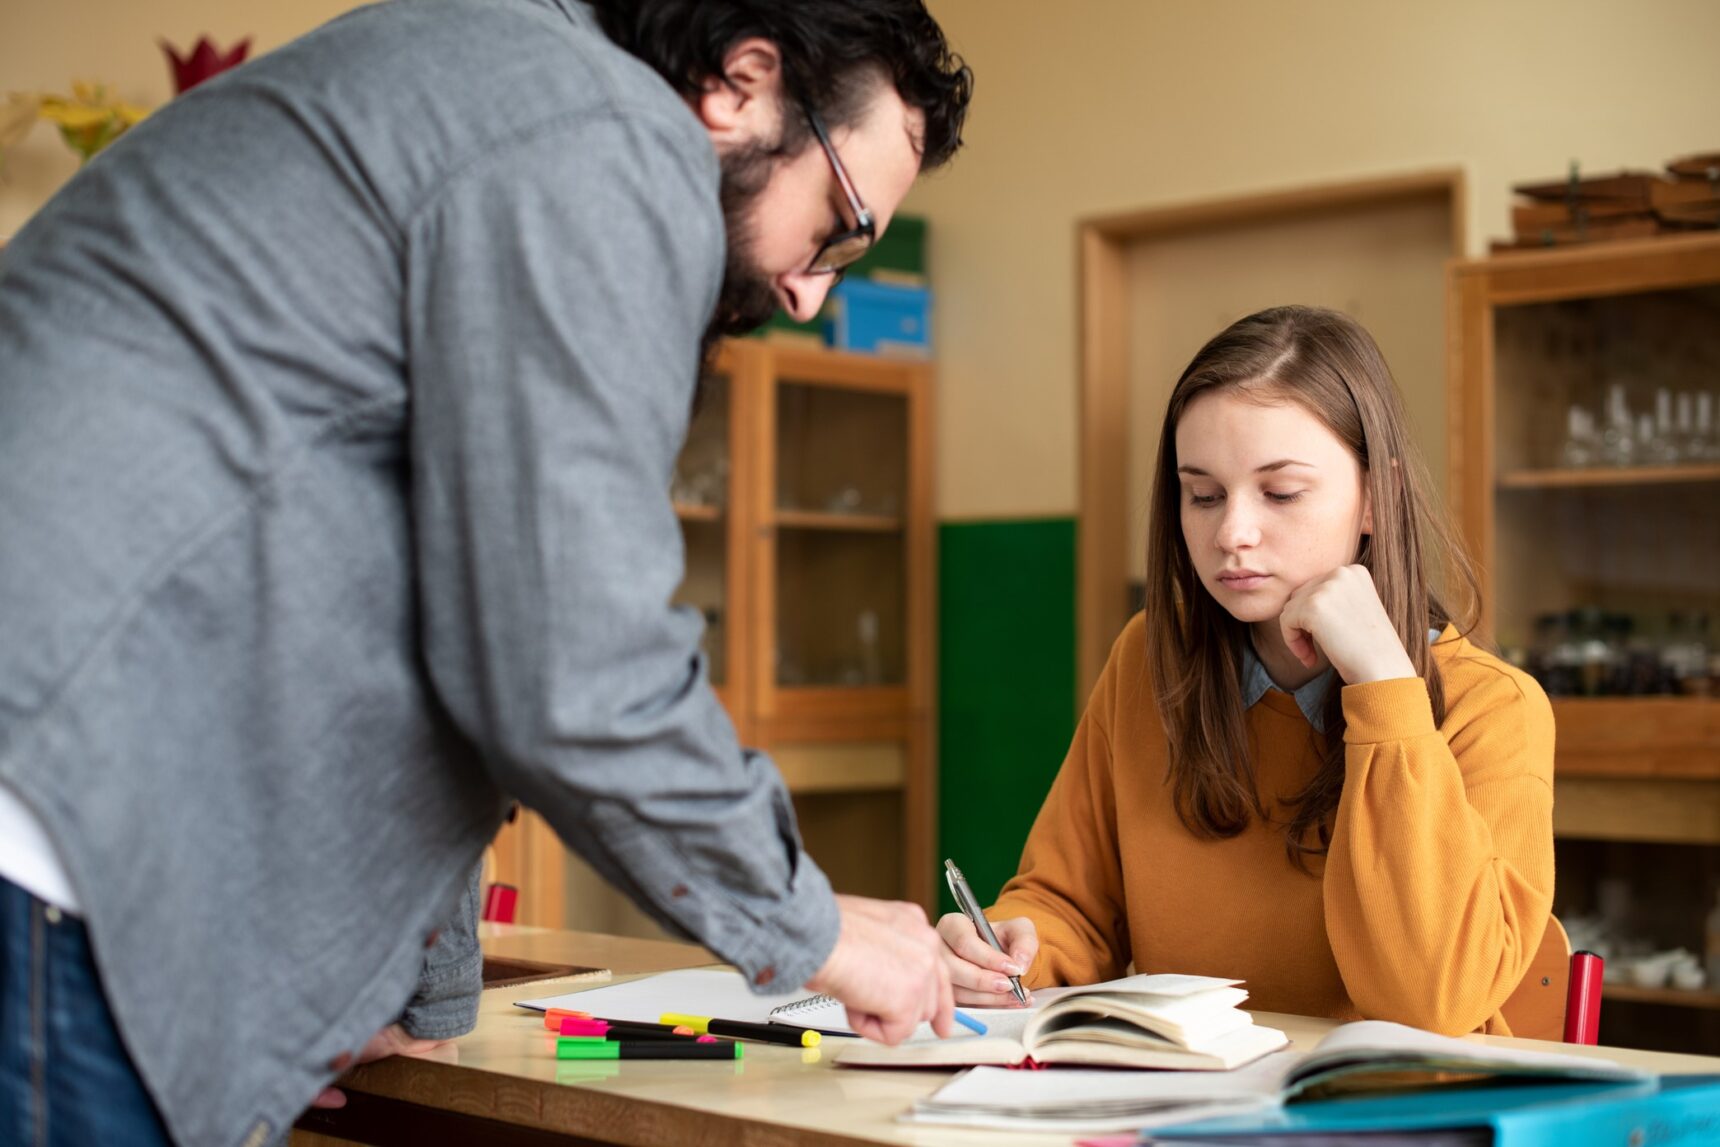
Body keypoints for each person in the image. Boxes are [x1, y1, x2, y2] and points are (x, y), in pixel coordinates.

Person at [0, 1, 972, 1142]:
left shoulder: (490, 77)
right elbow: (572, 668)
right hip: (63, 839)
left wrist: (395, 990)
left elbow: (459, 611)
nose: (811, 291)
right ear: (742, 83)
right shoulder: (603, 134)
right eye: (839, 227)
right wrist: (816, 931)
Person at [937, 306, 1555, 1038]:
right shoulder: (1147, 661)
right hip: (1190, 1107)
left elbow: (1432, 1000)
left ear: (1376, 498)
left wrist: (1385, 688)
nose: (1232, 532)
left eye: (1282, 492)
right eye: (1202, 494)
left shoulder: (1493, 706)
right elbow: (1070, 904)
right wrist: (1010, 944)